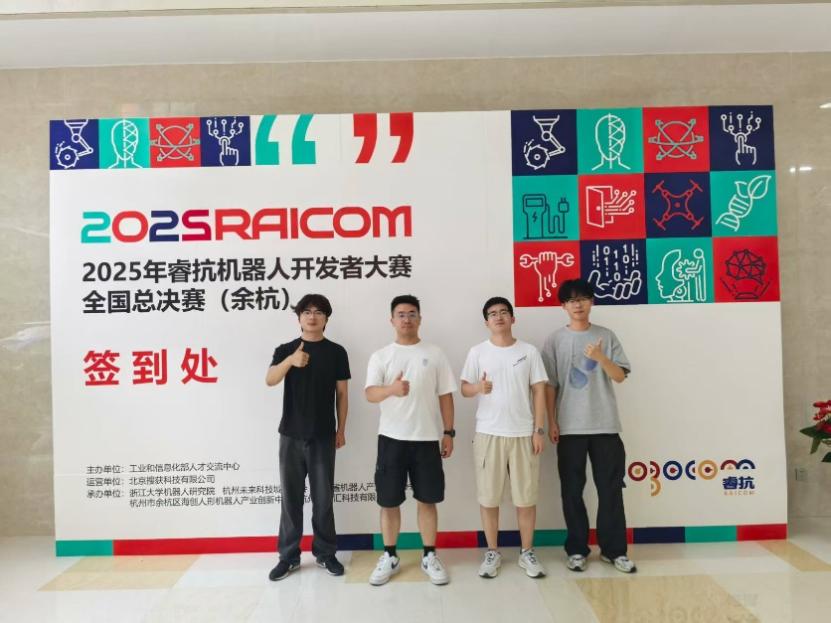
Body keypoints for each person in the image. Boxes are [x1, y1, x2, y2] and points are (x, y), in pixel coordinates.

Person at [541, 278, 637, 574]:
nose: (578, 304)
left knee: (610, 490)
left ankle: (614, 550)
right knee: (572, 491)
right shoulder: (555, 340)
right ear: (563, 306)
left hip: (605, 425)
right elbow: (550, 386)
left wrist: (599, 357)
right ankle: (577, 550)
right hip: (570, 428)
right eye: (571, 300)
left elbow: (619, 376)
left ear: (591, 301)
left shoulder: (605, 336)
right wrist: (552, 421)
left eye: (583, 298)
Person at [364, 295, 457, 586]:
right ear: (392, 320)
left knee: (427, 500)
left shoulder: (435, 353)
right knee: (388, 502)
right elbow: (370, 393)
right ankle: (390, 555)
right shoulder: (381, 356)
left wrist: (449, 432)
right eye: (401, 314)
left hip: (426, 439)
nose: (407, 319)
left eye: (412, 314)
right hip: (391, 439)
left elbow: (446, 395)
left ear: (420, 318)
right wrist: (391, 390)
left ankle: (429, 555)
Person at [460, 297, 548, 579]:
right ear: (486, 322)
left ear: (512, 318)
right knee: (489, 498)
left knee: (526, 498)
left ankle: (527, 552)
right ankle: (492, 552)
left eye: (503, 312)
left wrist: (539, 430)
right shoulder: (477, 352)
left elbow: (539, 391)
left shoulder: (529, 352)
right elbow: (464, 388)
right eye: (492, 314)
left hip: (523, 433)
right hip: (489, 433)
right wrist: (478, 387)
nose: (498, 317)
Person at [265, 294, 350, 581]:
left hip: (323, 435)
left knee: (323, 499)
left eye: (318, 312)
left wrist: (341, 429)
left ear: (326, 318)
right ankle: (288, 557)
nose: (312, 317)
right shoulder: (286, 349)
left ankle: (325, 553)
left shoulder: (337, 352)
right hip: (290, 434)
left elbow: (342, 394)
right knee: (290, 499)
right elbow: (270, 379)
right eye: (307, 312)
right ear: (299, 317)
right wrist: (291, 360)